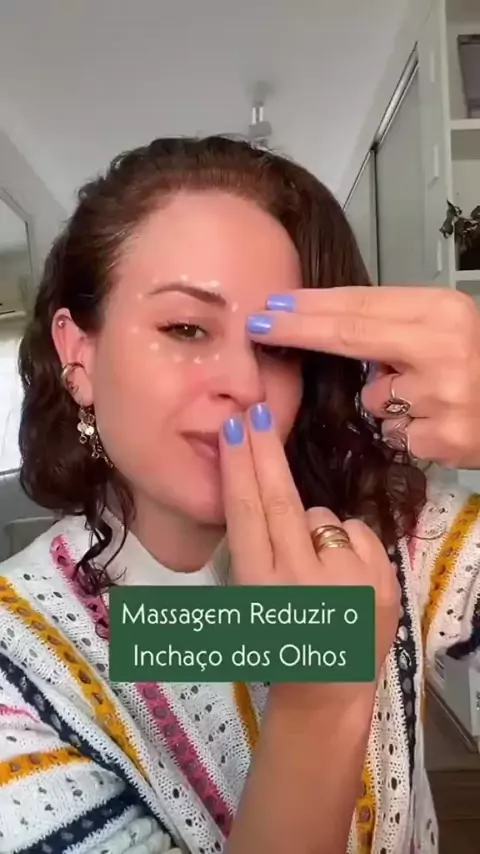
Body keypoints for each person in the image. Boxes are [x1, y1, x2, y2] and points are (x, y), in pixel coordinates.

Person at [0, 135, 479, 854]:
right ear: (79, 354)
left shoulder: (394, 528)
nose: (245, 383)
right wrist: (321, 703)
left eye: (275, 346)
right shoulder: (19, 664)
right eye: (186, 327)